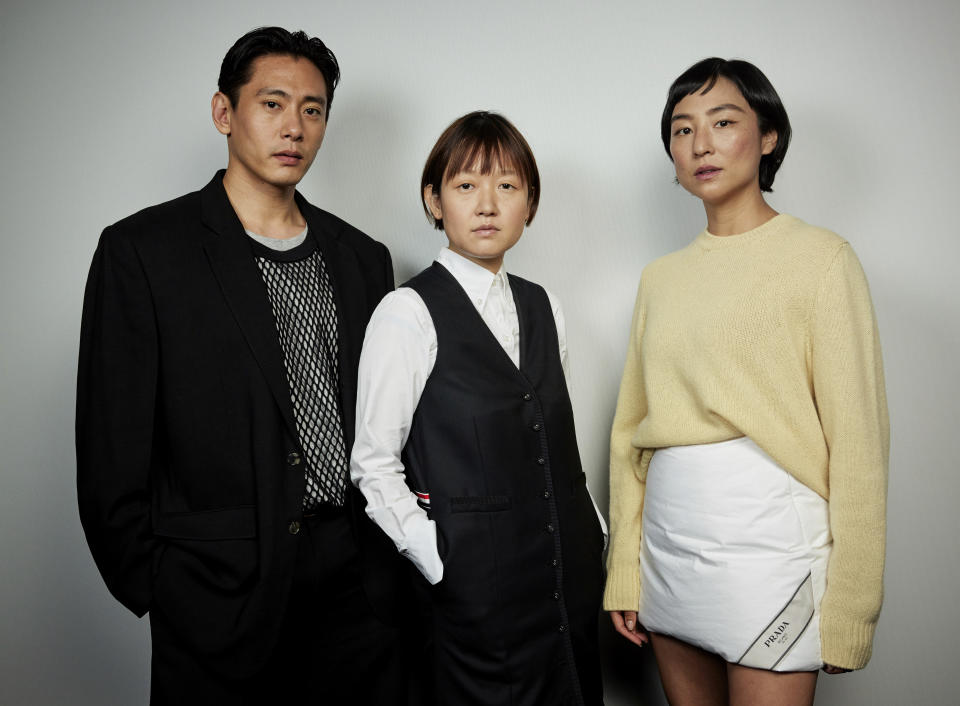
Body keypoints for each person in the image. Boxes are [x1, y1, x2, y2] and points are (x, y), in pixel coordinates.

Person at [76, 26, 406, 705]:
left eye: (312, 110)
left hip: (356, 588)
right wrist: (162, 587)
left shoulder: (361, 257)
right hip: (218, 592)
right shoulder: (143, 252)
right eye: (273, 103)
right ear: (225, 113)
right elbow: (111, 443)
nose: (295, 127)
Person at [604, 58, 889, 705]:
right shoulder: (660, 279)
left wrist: (852, 607)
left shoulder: (823, 260)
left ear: (768, 137)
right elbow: (629, 436)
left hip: (773, 550)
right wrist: (625, 572)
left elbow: (860, 444)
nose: (700, 144)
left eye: (723, 121)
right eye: (681, 130)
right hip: (671, 548)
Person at [350, 110, 607, 705]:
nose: (487, 205)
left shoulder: (547, 307)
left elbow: (555, 446)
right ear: (434, 201)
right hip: (475, 594)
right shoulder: (407, 313)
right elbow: (373, 464)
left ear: (529, 204)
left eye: (507, 187)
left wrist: (597, 540)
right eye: (466, 186)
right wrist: (436, 559)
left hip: (567, 581)